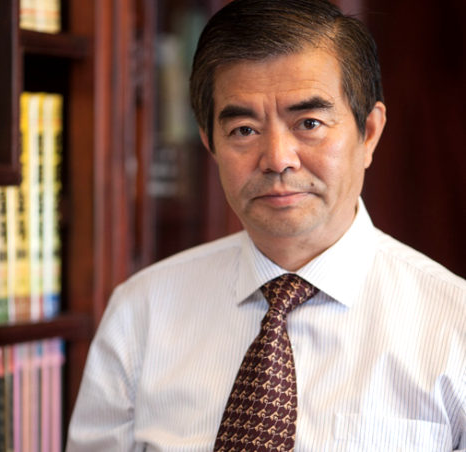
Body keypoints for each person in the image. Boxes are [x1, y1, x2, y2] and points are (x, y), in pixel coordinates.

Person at [66, 0, 466, 451]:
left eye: (309, 123)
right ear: (209, 142)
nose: (277, 159)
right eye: (243, 130)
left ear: (368, 133)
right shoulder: (141, 312)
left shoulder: (455, 327)